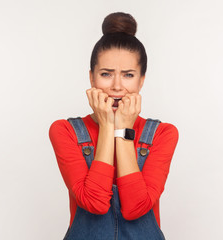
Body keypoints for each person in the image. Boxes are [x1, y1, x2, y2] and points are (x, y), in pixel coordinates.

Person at [49, 12, 179, 240]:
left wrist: (122, 132)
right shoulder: (64, 131)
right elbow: (94, 202)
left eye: (128, 75)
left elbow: (135, 207)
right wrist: (109, 126)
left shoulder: (163, 134)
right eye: (106, 74)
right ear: (92, 78)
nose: (117, 86)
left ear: (141, 80)